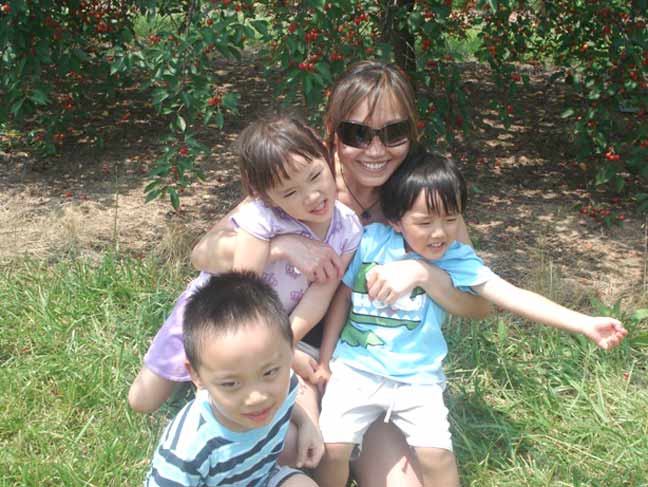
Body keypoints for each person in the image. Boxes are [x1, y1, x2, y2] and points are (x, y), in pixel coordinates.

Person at [190, 60, 491, 486]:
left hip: (377, 359)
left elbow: (479, 304)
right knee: (296, 453)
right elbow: (201, 252)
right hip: (294, 342)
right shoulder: (307, 177)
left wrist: (426, 274)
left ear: (412, 130)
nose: (375, 150)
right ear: (331, 131)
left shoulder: (422, 199)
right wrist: (281, 247)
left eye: (393, 133)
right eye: (356, 133)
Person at [313, 149, 628, 487]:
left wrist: (583, 322)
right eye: (424, 221)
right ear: (394, 220)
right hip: (356, 367)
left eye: (451, 219)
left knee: (437, 456)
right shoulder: (371, 241)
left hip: (418, 378)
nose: (439, 233)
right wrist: (326, 359)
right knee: (333, 449)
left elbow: (511, 295)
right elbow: (343, 298)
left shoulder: (455, 259)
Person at [129, 115, 363, 414]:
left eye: (315, 176)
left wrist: (282, 347)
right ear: (267, 196)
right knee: (142, 402)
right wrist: (281, 248)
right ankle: (201, 369)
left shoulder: (348, 227)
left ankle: (219, 377)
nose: (312, 196)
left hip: (262, 329)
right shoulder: (262, 216)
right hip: (214, 312)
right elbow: (244, 290)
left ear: (325, 156)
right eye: (290, 192)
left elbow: (319, 297)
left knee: (229, 398)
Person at [144, 271, 323, 487]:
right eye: (231, 384)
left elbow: (290, 399)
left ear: (289, 354)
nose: (257, 397)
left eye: (269, 372)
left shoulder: (286, 382)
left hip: (262, 478)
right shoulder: (187, 449)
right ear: (197, 376)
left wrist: (306, 424)